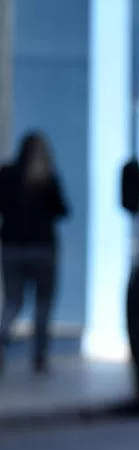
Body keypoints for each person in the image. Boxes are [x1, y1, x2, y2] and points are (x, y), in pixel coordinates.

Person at [0, 132, 69, 375]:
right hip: (42, 249)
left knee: (12, 302)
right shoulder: (46, 179)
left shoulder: (7, 174)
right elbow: (63, 209)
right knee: (42, 305)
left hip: (12, 248)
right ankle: (39, 357)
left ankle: (3, 336)